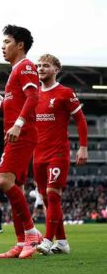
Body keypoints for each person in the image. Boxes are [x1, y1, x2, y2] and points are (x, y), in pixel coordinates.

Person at [0, 25, 42, 259]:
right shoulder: (16, 70)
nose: (2, 46)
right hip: (16, 133)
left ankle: (30, 234)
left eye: (7, 42)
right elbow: (13, 104)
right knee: (17, 188)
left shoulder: (25, 66)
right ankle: (20, 242)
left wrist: (18, 123)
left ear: (20, 45)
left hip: (21, 133)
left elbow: (33, 97)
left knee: (3, 180)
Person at [34, 54, 88, 255]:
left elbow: (81, 120)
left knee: (53, 195)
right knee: (47, 199)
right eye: (38, 65)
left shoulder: (65, 92)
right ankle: (63, 242)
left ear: (56, 69)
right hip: (37, 154)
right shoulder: (34, 94)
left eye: (45, 66)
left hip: (57, 152)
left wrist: (83, 147)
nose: (40, 68)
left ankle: (47, 240)